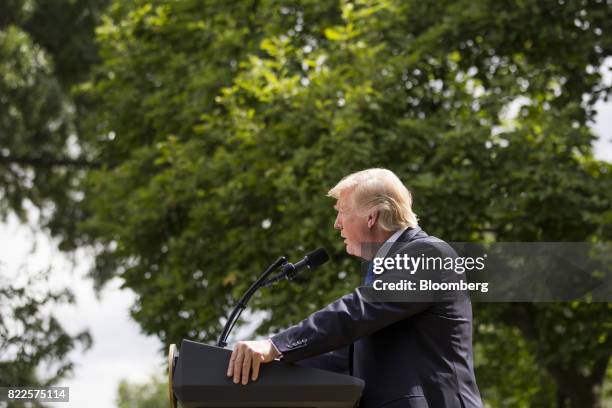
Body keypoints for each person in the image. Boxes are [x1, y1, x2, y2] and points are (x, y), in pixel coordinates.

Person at [226, 168, 483, 408]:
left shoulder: (428, 254)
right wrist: (262, 364)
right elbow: (343, 354)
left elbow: (355, 312)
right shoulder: (388, 270)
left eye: (342, 211)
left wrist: (276, 345)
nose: (337, 224)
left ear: (372, 216)